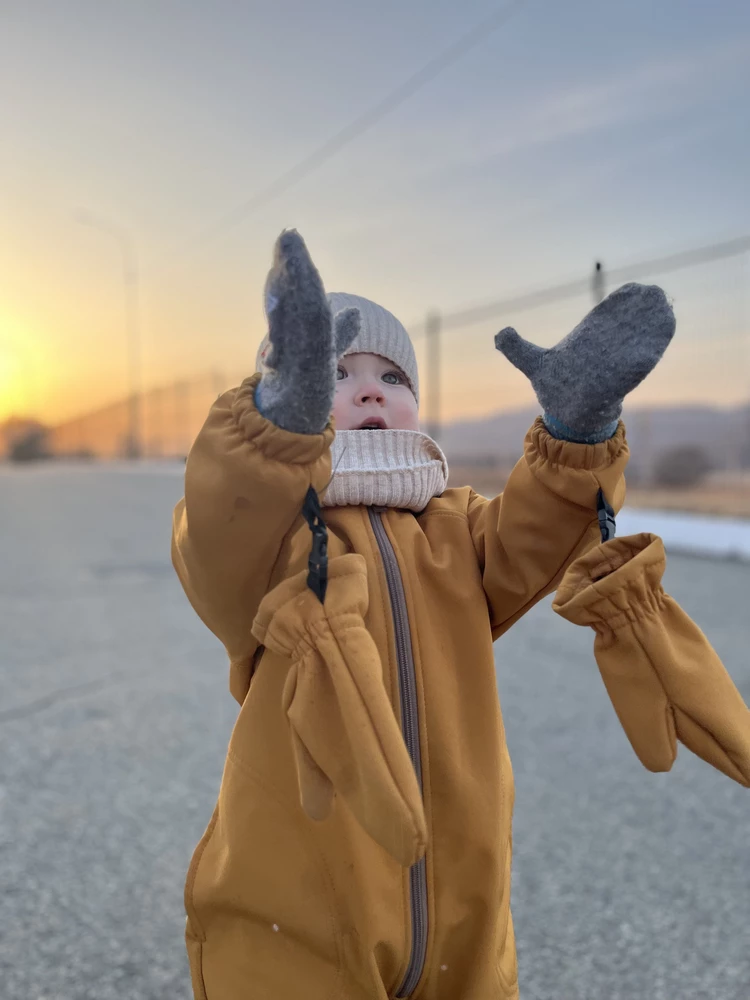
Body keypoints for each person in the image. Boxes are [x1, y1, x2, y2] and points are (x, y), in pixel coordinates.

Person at [171, 229, 675, 1000]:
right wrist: (273, 429)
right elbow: (217, 528)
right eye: (336, 371)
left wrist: (579, 432)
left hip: (462, 893)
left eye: (392, 376)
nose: (371, 389)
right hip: (304, 893)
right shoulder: (274, 538)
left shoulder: (455, 523)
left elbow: (535, 538)